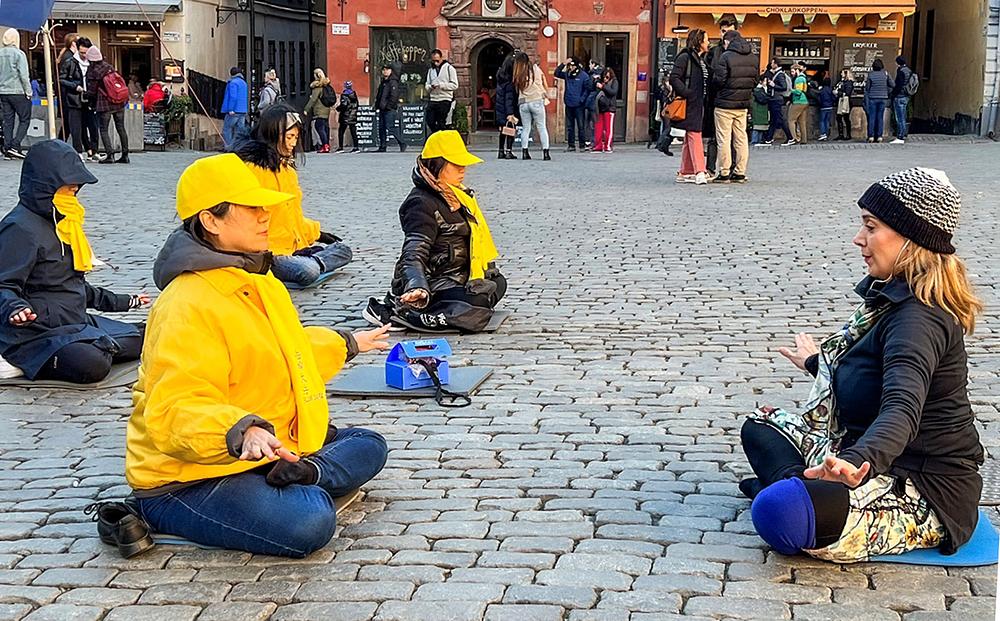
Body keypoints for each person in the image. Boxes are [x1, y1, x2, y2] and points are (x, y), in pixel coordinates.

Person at [127, 152, 390, 557]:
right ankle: (169, 511)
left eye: (263, 206)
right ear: (210, 220)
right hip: (190, 475)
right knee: (310, 520)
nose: (265, 215)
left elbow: (289, 355)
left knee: (369, 444)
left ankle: (303, 472)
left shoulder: (261, 281)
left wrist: (349, 343)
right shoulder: (186, 303)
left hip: (264, 450)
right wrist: (241, 430)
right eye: (250, 208)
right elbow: (175, 408)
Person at [741, 167, 984, 564]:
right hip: (858, 447)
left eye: (871, 227)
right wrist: (818, 363)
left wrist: (855, 461)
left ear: (910, 239)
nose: (859, 239)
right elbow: (870, 370)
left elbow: (901, 410)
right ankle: (799, 485)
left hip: (922, 484)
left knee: (778, 513)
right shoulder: (891, 299)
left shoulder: (918, 320)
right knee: (762, 425)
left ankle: (794, 492)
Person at [0, 140, 148, 384]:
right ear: (46, 188)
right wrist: (15, 309)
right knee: (92, 363)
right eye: (67, 190)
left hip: (74, 324)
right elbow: (4, 285)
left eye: (75, 191)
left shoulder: (65, 225)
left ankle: (99, 344)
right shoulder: (19, 228)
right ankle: (19, 360)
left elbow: (74, 287)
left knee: (153, 333)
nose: (73, 196)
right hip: (35, 334)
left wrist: (125, 301)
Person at [363, 130, 506, 334]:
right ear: (437, 165)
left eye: (463, 164)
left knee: (497, 283)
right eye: (456, 164)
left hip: (458, 276)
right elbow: (413, 253)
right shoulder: (420, 203)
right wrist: (416, 286)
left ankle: (457, 307)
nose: (462, 170)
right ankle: (402, 311)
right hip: (433, 283)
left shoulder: (459, 195)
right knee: (477, 305)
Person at [235, 104, 353, 288]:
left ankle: (312, 261)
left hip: (293, 248)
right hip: (267, 253)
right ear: (274, 135)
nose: (293, 143)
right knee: (308, 271)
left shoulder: (287, 170)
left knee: (344, 250)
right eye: (289, 137)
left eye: (296, 137)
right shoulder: (252, 169)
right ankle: (314, 263)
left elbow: (292, 217)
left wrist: (318, 234)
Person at [712, 29, 756, 183]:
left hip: (724, 104)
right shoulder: (752, 57)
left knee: (724, 139)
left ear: (728, 41)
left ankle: (724, 172)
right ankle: (740, 172)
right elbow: (755, 80)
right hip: (743, 105)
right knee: (741, 138)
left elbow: (718, 81)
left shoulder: (726, 56)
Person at [669, 29, 710, 185]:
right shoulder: (685, 57)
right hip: (690, 101)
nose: (708, 43)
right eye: (706, 40)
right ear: (699, 41)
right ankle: (700, 170)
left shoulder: (701, 59)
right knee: (694, 134)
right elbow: (674, 77)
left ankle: (685, 171)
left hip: (699, 102)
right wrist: (688, 93)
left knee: (689, 136)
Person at [704, 16, 737, 176]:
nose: (726, 35)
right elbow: (708, 75)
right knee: (714, 137)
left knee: (735, 138)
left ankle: (732, 169)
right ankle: (710, 168)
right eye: (724, 31)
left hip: (736, 99)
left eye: (729, 32)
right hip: (716, 99)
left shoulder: (742, 52)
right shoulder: (714, 52)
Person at [85, 46, 130, 164]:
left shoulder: (93, 71)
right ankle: (125, 155)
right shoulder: (109, 67)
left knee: (104, 129)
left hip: (104, 104)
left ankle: (110, 155)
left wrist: (88, 99)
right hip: (119, 102)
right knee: (121, 127)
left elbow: (92, 91)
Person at [59, 35, 98, 161]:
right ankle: (78, 151)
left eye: (86, 53)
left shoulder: (92, 63)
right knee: (75, 127)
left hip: (89, 98)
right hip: (74, 98)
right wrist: (76, 86)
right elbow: (61, 79)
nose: (84, 55)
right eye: (81, 52)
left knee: (92, 125)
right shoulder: (70, 62)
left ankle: (93, 150)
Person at [0, 28, 32, 160]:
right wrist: (28, 91)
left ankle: (7, 148)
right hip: (18, 91)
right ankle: (15, 144)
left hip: (3, 91)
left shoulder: (0, 53)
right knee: (24, 119)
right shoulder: (19, 54)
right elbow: (24, 75)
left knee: (8, 121)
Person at [513, 52, 551, 161]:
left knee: (526, 128)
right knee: (542, 127)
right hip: (536, 100)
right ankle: (546, 153)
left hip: (523, 102)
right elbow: (541, 82)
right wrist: (545, 94)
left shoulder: (518, 72)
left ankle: (525, 152)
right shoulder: (535, 69)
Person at [554, 57, 592, 152]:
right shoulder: (567, 74)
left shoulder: (584, 76)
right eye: (569, 65)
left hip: (579, 105)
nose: (570, 67)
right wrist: (563, 63)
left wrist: (582, 100)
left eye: (571, 65)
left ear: (576, 66)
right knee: (570, 126)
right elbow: (557, 73)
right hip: (569, 103)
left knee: (580, 126)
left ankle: (582, 145)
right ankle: (571, 145)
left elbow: (587, 89)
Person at [425, 49, 458, 133]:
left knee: (441, 122)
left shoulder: (449, 68)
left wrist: (441, 85)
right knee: (430, 120)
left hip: (445, 98)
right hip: (433, 99)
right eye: (433, 61)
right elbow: (427, 84)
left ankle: (441, 137)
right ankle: (437, 135)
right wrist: (430, 87)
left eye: (437, 60)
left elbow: (455, 85)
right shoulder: (431, 70)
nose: (435, 63)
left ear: (441, 58)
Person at [762, 59, 794, 146]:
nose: (771, 64)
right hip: (774, 99)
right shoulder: (777, 73)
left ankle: (790, 137)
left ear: (776, 64)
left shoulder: (779, 74)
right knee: (773, 119)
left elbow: (784, 87)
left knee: (779, 119)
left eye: (772, 63)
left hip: (776, 99)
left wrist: (773, 85)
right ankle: (768, 139)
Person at [375, 63, 405, 153]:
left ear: (391, 71)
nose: (385, 71)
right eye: (383, 69)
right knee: (381, 127)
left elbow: (394, 96)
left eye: (387, 69)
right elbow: (380, 95)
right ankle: (382, 146)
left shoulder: (393, 82)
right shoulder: (384, 82)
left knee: (390, 127)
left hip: (389, 109)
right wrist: (377, 105)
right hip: (382, 108)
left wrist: (389, 106)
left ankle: (402, 142)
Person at [494, 52, 519, 160]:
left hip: (499, 106)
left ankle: (500, 151)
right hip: (507, 108)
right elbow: (509, 98)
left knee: (503, 130)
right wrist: (510, 113)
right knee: (510, 129)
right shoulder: (509, 81)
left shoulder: (500, 76)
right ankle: (508, 151)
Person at [304, 68, 333, 154]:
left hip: (319, 110)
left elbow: (313, 100)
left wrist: (306, 109)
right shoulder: (326, 85)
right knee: (325, 127)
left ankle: (325, 145)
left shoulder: (317, 87)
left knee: (319, 127)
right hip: (326, 109)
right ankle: (327, 144)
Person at [864, 58, 893, 143]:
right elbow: (892, 84)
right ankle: (879, 136)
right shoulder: (886, 74)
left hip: (872, 98)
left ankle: (871, 136)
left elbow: (867, 88)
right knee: (880, 117)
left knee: (872, 117)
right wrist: (887, 91)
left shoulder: (871, 75)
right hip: (883, 98)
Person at [592, 68, 619, 154]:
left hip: (610, 108)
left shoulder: (614, 82)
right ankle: (598, 145)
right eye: (604, 76)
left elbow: (613, 92)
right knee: (598, 128)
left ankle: (608, 146)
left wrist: (603, 87)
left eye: (607, 77)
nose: (605, 78)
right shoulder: (600, 82)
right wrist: (595, 82)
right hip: (599, 108)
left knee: (608, 128)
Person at [220, 67, 249, 148]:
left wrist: (230, 109)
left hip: (234, 111)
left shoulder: (233, 83)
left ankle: (229, 147)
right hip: (242, 111)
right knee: (239, 131)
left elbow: (233, 97)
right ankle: (239, 147)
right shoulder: (244, 83)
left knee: (227, 129)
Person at [891, 56, 913, 144]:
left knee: (899, 117)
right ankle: (903, 134)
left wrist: (893, 94)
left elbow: (898, 85)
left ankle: (900, 136)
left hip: (899, 96)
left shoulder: (900, 71)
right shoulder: (909, 70)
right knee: (903, 116)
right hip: (906, 96)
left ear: (898, 63)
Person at [583, 60, 604, 151]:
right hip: (591, 101)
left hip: (593, 102)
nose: (589, 65)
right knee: (591, 123)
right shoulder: (595, 74)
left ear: (594, 65)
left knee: (592, 123)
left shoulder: (595, 75)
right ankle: (593, 141)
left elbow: (591, 87)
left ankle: (594, 141)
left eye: (590, 64)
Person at [787, 64, 809, 145]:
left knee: (791, 120)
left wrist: (791, 90)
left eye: (793, 71)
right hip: (804, 101)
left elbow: (798, 91)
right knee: (802, 122)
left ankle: (794, 138)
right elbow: (805, 90)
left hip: (798, 102)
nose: (792, 73)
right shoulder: (804, 78)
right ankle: (804, 139)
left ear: (797, 70)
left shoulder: (798, 79)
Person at [335, 80, 360, 153]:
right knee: (353, 131)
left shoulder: (344, 94)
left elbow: (344, 105)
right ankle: (356, 147)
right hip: (353, 115)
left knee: (341, 131)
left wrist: (338, 108)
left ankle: (340, 147)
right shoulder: (354, 94)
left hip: (345, 115)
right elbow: (356, 105)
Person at [834, 69, 855, 141]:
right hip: (841, 100)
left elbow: (847, 93)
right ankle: (841, 134)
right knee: (839, 117)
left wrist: (838, 93)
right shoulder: (842, 82)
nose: (841, 74)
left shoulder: (848, 82)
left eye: (842, 73)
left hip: (846, 101)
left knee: (846, 118)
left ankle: (848, 135)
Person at [750, 77, 770, 145]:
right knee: (757, 126)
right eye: (765, 81)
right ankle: (755, 141)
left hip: (761, 110)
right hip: (758, 109)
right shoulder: (757, 90)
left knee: (761, 126)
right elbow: (762, 99)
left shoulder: (759, 90)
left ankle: (759, 140)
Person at [817, 77, 835, 141]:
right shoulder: (830, 90)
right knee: (827, 121)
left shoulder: (822, 90)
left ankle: (823, 134)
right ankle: (826, 134)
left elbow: (819, 98)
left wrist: (820, 103)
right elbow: (834, 98)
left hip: (823, 106)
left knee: (822, 121)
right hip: (830, 106)